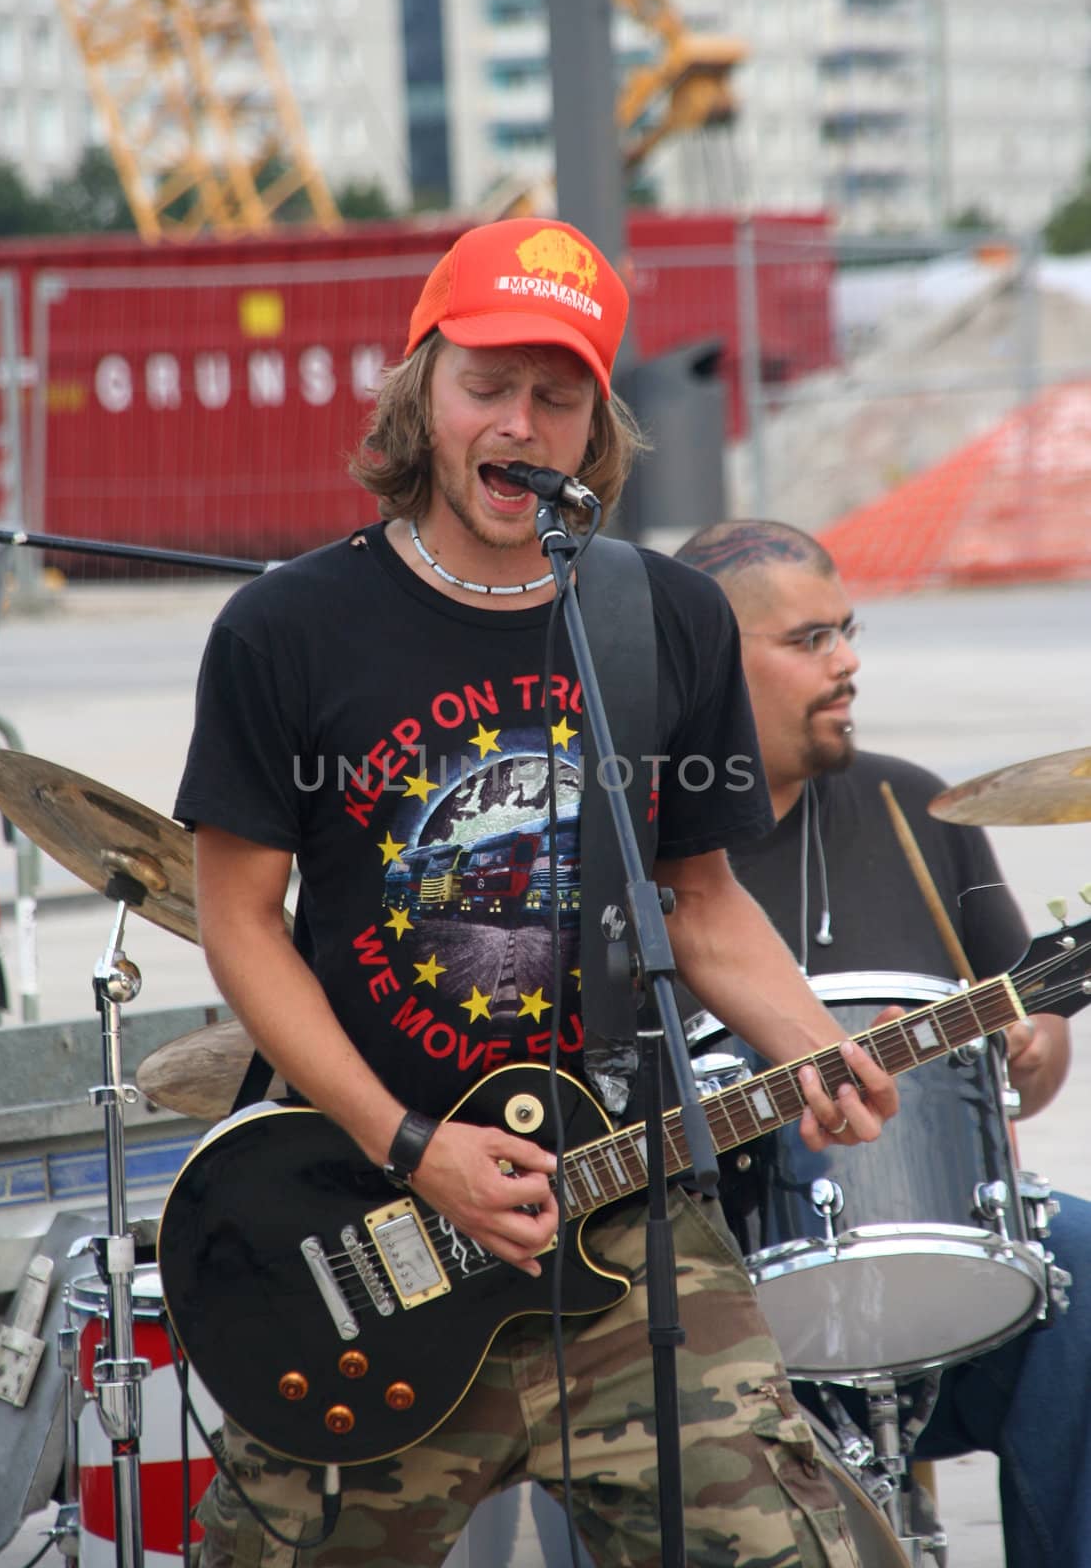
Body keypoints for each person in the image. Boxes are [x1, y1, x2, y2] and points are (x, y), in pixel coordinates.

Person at [172, 216, 901, 1568]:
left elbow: (697, 896)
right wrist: (410, 1146)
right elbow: (236, 925)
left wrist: (812, 1042)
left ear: (593, 426)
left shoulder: (660, 619)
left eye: (555, 397)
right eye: (486, 385)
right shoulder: (287, 632)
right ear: (419, 393)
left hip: (621, 1223)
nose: (519, 422)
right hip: (371, 1224)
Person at [675, 517, 1091, 1568]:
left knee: (1085, 1263)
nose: (847, 661)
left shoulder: (915, 804)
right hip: (717, 1285)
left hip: (933, 1251)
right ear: (712, 670)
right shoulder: (640, 840)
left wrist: (1035, 1045)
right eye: (809, 639)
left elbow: (1024, 1024)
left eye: (846, 631)